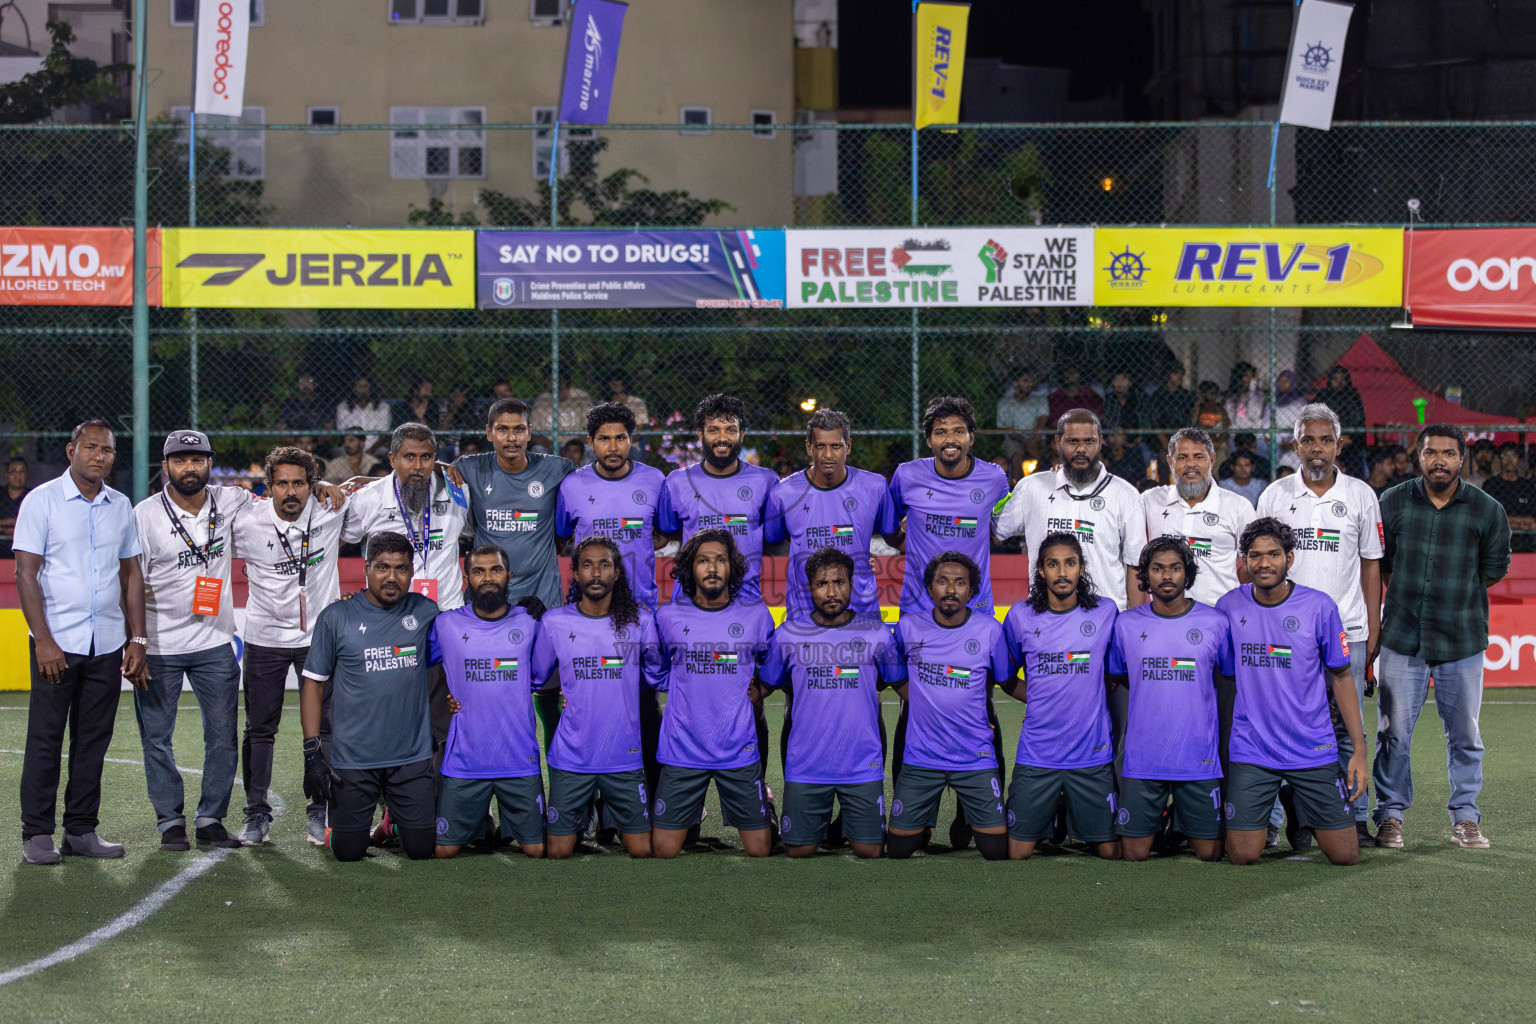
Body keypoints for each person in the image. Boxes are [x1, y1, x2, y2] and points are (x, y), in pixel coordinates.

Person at [15, 420, 147, 865]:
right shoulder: (42, 501)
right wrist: (44, 642)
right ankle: (36, 833)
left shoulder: (120, 505)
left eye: (107, 450)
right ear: (71, 450)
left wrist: (137, 638)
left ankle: (81, 830)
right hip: (57, 645)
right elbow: (25, 574)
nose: (99, 456)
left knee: (93, 741)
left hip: (107, 642)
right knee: (46, 739)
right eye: (90, 447)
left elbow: (131, 574)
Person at [1374, 424, 1510, 850]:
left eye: (1448, 454)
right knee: (1393, 732)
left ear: (1461, 459)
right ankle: (1390, 816)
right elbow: (1384, 564)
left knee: (1465, 734)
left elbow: (1494, 568)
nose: (1439, 461)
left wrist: (1453, 594)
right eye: (1431, 452)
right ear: (1419, 456)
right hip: (1402, 635)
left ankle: (1466, 818)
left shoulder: (1487, 509)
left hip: (1462, 637)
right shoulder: (1392, 502)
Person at [1256, 404, 1383, 848]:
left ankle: (1357, 817)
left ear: (1338, 445)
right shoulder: (1274, 495)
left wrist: (1372, 625)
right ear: (1296, 445)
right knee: (1283, 725)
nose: (1316, 448)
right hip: (1285, 634)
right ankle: (1280, 820)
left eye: (1325, 440)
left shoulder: (1362, 495)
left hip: (1348, 628)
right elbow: (1259, 563)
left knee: (1350, 728)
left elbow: (1371, 566)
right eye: (1308, 440)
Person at [132, 430, 258, 852]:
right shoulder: (145, 515)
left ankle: (210, 820)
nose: (190, 467)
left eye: (198, 459)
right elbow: (129, 582)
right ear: (165, 465)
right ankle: (170, 821)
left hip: (214, 642)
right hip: (160, 644)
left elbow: (279, 502)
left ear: (210, 463)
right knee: (156, 738)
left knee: (222, 735)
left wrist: (329, 486)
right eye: (181, 460)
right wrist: (137, 641)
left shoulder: (233, 500)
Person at [1217, 518, 1366, 867]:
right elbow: (1225, 677)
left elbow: (1342, 677)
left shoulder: (1319, 606)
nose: (1264, 563)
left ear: (1290, 558)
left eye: (1273, 554)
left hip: (1311, 746)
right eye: (1255, 555)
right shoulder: (1228, 607)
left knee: (1346, 855)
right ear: (1244, 561)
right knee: (1242, 855)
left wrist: (1358, 750)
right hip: (1253, 748)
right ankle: (1287, 796)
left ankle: (1299, 801)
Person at [229, 446, 347, 847]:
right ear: (270, 486)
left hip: (318, 639)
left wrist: (333, 485)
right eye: (282, 483)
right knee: (259, 729)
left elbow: (376, 487)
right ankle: (256, 815)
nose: (290, 491)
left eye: (299, 483)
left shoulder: (331, 510)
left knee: (326, 728)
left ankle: (320, 812)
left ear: (311, 485)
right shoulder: (246, 522)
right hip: (264, 638)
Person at [300, 532, 441, 862]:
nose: (392, 577)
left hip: (411, 756)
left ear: (412, 570)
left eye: (401, 568)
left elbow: (465, 639)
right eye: (382, 567)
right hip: (354, 760)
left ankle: (391, 824)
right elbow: (312, 685)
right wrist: (312, 751)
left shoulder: (426, 612)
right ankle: (340, 825)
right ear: (366, 568)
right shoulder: (336, 618)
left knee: (421, 850)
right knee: (348, 853)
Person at [760, 547, 905, 859]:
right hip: (807, 765)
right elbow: (763, 687)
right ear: (809, 588)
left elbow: (904, 688)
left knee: (870, 851)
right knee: (798, 851)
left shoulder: (877, 633)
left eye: (839, 582)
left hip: (861, 766)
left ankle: (840, 825)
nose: (831, 591)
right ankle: (770, 810)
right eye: (822, 584)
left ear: (852, 585)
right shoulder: (788, 634)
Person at [532, 536, 666, 860]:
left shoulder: (640, 622)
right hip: (573, 755)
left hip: (624, 755)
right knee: (557, 851)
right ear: (575, 574)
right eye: (587, 565)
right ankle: (585, 816)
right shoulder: (555, 622)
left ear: (616, 573)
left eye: (604, 564)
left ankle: (610, 818)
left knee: (643, 850)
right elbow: (533, 678)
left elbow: (660, 676)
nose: (595, 573)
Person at [650, 529, 776, 859]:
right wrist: (682, 684)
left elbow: (773, 663)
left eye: (720, 560)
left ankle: (766, 803)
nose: (712, 567)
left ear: (732, 567)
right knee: (663, 850)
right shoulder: (667, 616)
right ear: (690, 568)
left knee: (760, 850)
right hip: (683, 748)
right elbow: (656, 668)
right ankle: (690, 814)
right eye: (703, 560)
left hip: (737, 748)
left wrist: (759, 689)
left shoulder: (756, 615)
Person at [1105, 538, 1231, 862]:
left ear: (1186, 573)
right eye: (1157, 569)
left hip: (1198, 757)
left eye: (1175, 568)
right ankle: (1162, 818)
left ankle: (1177, 820)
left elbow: (1230, 678)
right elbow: (1115, 679)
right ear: (1146, 575)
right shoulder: (1126, 624)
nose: (1167, 576)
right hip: (1144, 757)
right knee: (1133, 854)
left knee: (1211, 853)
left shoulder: (1215, 623)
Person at [885, 552, 1015, 861]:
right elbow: (893, 676)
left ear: (972, 592)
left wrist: (1047, 701)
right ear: (930, 588)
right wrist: (927, 705)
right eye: (942, 582)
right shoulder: (908, 628)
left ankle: (968, 818)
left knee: (996, 852)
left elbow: (1007, 683)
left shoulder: (990, 630)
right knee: (899, 850)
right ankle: (922, 824)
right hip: (922, 757)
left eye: (960, 583)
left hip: (974, 757)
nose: (951, 590)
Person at [1000, 533, 1120, 861]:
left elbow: (1115, 674)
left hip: (1091, 753)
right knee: (1015, 852)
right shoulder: (1020, 615)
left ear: (1082, 568)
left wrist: (1089, 694)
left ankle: (1067, 811)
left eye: (1070, 563)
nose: (1062, 572)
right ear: (1041, 570)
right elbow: (1005, 678)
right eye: (1053, 564)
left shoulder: (1105, 612)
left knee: (1111, 851)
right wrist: (1039, 699)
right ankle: (1052, 816)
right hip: (1039, 751)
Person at [430, 545, 546, 860]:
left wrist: (544, 615)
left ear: (509, 576)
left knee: (536, 850)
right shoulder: (445, 624)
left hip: (518, 758)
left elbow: (550, 670)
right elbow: (413, 666)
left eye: (495, 570)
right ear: (466, 578)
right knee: (443, 851)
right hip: (466, 760)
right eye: (478, 571)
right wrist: (445, 697)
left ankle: (500, 828)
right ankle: (481, 826)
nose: (487, 578)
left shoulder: (531, 621)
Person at [995, 409, 1147, 612]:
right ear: (1058, 443)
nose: (1081, 449)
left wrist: (1135, 622)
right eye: (1073, 441)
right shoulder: (1031, 488)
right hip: (1045, 617)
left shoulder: (1126, 495)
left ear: (1100, 442)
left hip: (1105, 619)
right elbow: (996, 532)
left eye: (1089, 441)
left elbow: (1135, 564)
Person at [765, 408, 901, 620]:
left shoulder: (875, 487)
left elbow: (895, 537)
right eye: (820, 446)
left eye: (836, 446)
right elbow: (774, 539)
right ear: (809, 447)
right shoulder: (782, 493)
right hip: (804, 612)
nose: (828, 455)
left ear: (848, 446)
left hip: (861, 611)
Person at [889, 395, 1011, 614]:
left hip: (975, 607)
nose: (950, 439)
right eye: (940, 432)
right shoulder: (907, 475)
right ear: (928, 440)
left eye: (958, 431)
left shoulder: (994, 478)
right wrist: (906, 544)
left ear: (971, 437)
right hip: (919, 607)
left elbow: (1001, 529)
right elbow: (889, 525)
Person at [450, 397, 573, 611]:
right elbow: (422, 473)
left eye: (519, 429)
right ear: (489, 433)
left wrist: (561, 539)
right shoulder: (468, 468)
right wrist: (442, 466)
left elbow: (590, 492)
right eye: (502, 429)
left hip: (542, 594)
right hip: (488, 596)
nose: (511, 438)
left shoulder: (557, 470)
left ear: (529, 432)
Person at [656, 393, 777, 605]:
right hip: (689, 601)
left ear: (742, 435)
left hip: (745, 601)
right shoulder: (676, 482)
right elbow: (670, 531)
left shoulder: (765, 481)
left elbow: (773, 536)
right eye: (713, 430)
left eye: (731, 430)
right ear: (700, 435)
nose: (722, 438)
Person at [556, 402, 667, 609]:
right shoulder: (571, 485)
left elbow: (663, 535)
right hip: (589, 606)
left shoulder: (655, 480)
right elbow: (561, 537)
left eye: (620, 438)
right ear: (591, 442)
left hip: (640, 604)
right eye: (604, 439)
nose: (613, 447)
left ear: (631, 440)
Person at [1142, 427, 1256, 607]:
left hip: (1219, 617)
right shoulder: (1150, 501)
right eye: (1182, 457)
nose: (1190, 464)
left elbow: (1252, 567)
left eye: (1198, 457)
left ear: (1212, 460)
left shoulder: (1238, 507)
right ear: (1170, 462)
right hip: (1164, 618)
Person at [1481, 442, 1536, 550]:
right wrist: (1521, 524)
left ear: (1518, 460)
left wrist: (1509, 522)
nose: (1509, 460)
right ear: (1499, 459)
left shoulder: (1527, 486)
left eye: (1513, 456)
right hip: (1497, 541)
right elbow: (1490, 518)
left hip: (1525, 542)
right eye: (1505, 455)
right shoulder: (1490, 485)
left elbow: (1533, 520)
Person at [995, 370, 1049, 463]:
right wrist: (1025, 441)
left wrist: (1033, 440)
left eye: (1032, 381)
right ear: (1015, 383)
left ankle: (1043, 472)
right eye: (1026, 381)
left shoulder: (1040, 399)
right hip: (1015, 439)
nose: (1031, 384)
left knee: (1042, 453)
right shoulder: (1005, 403)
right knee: (1016, 456)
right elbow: (1010, 430)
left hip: (1037, 437)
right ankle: (1018, 478)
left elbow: (1042, 423)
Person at [335, 375, 391, 455]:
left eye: (366, 386)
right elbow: (343, 434)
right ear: (353, 388)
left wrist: (369, 452)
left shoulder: (383, 407)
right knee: (336, 453)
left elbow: (383, 436)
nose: (362, 389)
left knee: (385, 455)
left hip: (375, 448)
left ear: (371, 389)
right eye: (359, 386)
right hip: (350, 447)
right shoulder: (343, 407)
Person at [1224, 362, 1271, 457]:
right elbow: (1233, 421)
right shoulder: (1231, 399)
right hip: (1236, 439)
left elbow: (1253, 414)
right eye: (1247, 376)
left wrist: (1252, 389)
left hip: (1256, 438)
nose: (1251, 380)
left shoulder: (1259, 396)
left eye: (1253, 377)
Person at [1312, 366, 1365, 441]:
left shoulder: (1353, 396)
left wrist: (1350, 437)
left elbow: (1358, 420)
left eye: (1343, 379)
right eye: (1335, 379)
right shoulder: (1323, 396)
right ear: (1330, 380)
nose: (1339, 382)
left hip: (1349, 439)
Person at [0, 455, 31, 555]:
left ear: (27, 474)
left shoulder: (33, 496)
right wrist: (10, 522)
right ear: (6, 474)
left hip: (25, 547)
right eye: (13, 471)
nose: (17, 475)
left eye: (22, 472)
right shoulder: (1, 494)